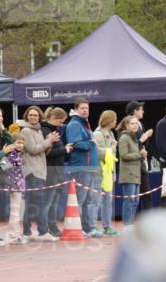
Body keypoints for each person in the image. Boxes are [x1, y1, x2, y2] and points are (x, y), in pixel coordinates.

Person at [19, 106, 60, 241]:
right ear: (26, 116)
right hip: (32, 172)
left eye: (35, 115)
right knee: (40, 203)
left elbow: (43, 152)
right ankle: (42, 232)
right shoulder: (26, 130)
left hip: (39, 171)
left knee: (32, 203)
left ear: (39, 117)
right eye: (30, 115)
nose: (33, 117)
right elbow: (33, 150)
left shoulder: (37, 130)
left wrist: (50, 142)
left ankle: (27, 232)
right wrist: (49, 141)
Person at [64, 98, 103, 238]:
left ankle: (88, 228)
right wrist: (91, 144)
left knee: (88, 200)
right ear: (76, 109)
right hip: (81, 167)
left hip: (90, 167)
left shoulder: (84, 123)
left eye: (87, 108)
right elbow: (74, 144)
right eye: (82, 108)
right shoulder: (74, 124)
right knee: (80, 199)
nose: (85, 110)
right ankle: (78, 228)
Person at [0, 107, 24, 244]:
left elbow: (10, 144)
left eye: (1, 116)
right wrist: (3, 152)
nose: (1, 118)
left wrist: (4, 129)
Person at [42, 107, 71, 236]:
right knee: (48, 202)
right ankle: (46, 228)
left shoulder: (54, 131)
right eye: (60, 122)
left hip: (58, 171)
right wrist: (64, 150)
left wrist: (65, 150)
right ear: (54, 119)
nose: (61, 125)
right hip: (50, 171)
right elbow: (46, 154)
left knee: (54, 202)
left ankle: (52, 227)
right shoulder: (45, 131)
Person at [93, 110, 119, 236]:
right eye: (114, 119)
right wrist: (113, 147)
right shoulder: (98, 134)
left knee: (107, 200)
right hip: (99, 171)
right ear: (109, 120)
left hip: (108, 171)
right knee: (96, 199)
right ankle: (92, 226)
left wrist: (113, 172)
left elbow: (112, 157)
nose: (116, 121)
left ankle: (107, 226)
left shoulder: (111, 133)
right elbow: (100, 153)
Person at [125, 101, 154, 211]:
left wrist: (143, 148)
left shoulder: (140, 124)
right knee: (134, 197)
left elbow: (140, 144)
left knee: (145, 194)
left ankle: (148, 219)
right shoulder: (128, 126)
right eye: (141, 109)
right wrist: (145, 136)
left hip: (141, 162)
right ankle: (133, 222)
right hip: (133, 165)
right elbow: (133, 144)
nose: (143, 111)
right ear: (135, 111)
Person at [117, 115, 143, 225]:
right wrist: (139, 155)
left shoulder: (134, 137)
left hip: (136, 174)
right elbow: (123, 155)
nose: (135, 125)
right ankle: (127, 225)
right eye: (132, 123)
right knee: (129, 201)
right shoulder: (124, 137)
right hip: (128, 174)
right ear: (126, 125)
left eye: (136, 123)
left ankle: (130, 223)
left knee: (135, 201)